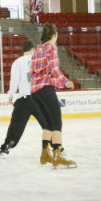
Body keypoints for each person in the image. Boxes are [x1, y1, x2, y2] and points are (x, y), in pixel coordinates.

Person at [30, 24, 76, 167]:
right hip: (45, 89)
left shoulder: (38, 49)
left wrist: (59, 83)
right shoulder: (51, 47)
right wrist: (65, 81)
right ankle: (57, 155)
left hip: (34, 91)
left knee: (48, 124)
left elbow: (32, 72)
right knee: (57, 122)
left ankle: (45, 155)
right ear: (55, 34)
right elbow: (54, 69)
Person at [0, 41, 50, 157]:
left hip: (24, 99)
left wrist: (10, 95)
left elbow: (14, 81)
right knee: (47, 124)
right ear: (33, 49)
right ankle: (58, 146)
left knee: (16, 125)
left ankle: (7, 146)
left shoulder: (18, 62)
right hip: (39, 98)